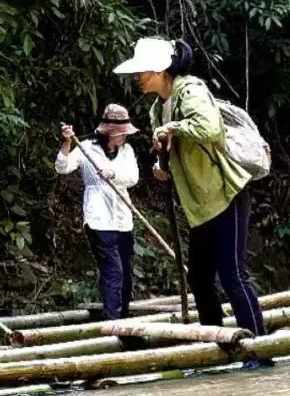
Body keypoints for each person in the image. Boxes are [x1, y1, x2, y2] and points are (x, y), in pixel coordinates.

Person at [113, 37, 266, 339]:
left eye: (142, 71)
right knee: (198, 277)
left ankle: (257, 348)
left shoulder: (191, 91)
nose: (137, 78)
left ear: (160, 71)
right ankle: (218, 343)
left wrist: (174, 128)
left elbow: (208, 128)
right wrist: (161, 166)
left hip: (226, 193)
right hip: (199, 203)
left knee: (233, 274)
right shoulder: (158, 108)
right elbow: (175, 153)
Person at [56, 103, 140, 319]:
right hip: (98, 219)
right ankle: (113, 323)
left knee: (127, 275)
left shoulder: (127, 151)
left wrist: (111, 173)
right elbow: (62, 167)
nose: (123, 137)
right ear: (108, 133)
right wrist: (67, 143)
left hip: (122, 217)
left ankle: (124, 318)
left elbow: (132, 177)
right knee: (113, 271)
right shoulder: (86, 148)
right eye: (120, 134)